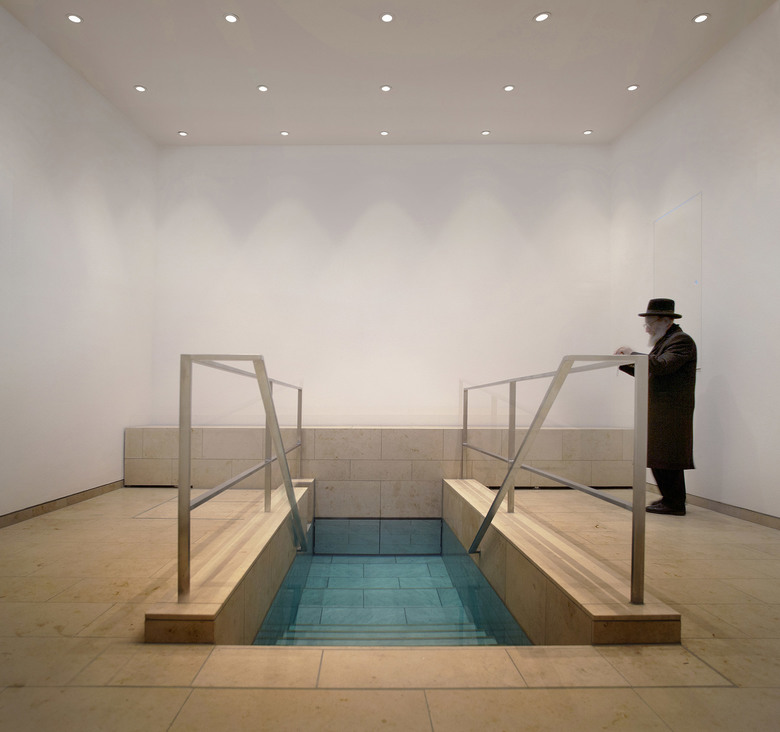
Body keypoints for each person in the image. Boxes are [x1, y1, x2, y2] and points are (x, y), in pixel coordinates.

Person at [615, 298, 697, 515]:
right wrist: (624, 363)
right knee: (658, 456)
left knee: (668, 458)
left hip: (672, 413)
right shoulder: (666, 341)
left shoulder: (681, 341)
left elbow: (661, 366)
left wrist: (632, 354)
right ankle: (669, 499)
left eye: (649, 324)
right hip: (661, 411)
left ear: (665, 320)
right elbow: (651, 371)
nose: (647, 329)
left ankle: (675, 503)